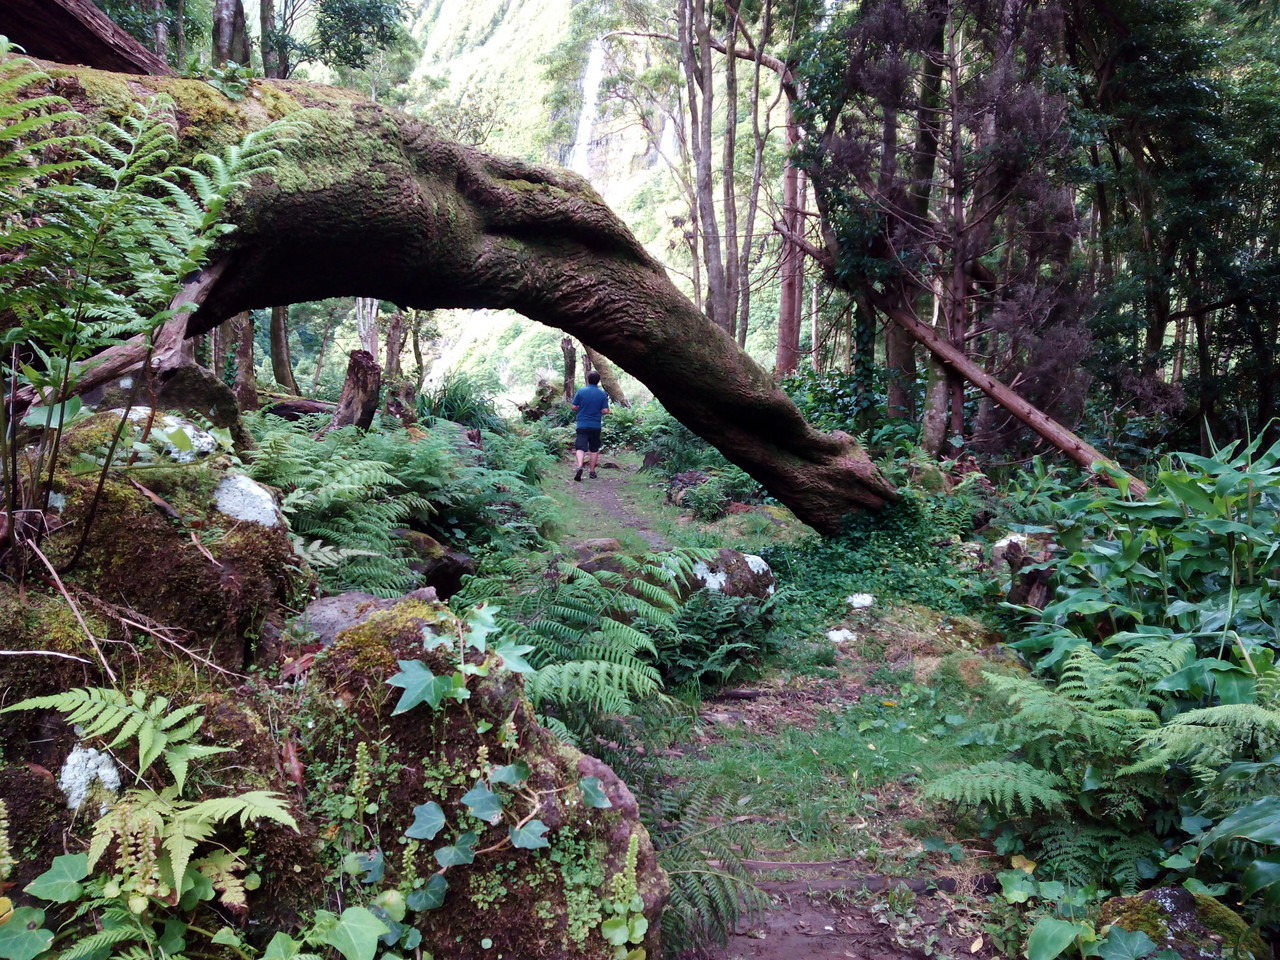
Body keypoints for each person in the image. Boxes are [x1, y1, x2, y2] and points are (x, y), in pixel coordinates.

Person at [571, 370, 610, 481]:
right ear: (598, 381)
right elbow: (606, 410)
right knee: (594, 449)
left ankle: (579, 466)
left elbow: (573, 407)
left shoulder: (581, 391)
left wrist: (582, 408)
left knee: (580, 447)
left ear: (588, 380)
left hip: (582, 424)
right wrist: (598, 411)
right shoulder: (602, 393)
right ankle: (592, 471)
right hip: (595, 425)